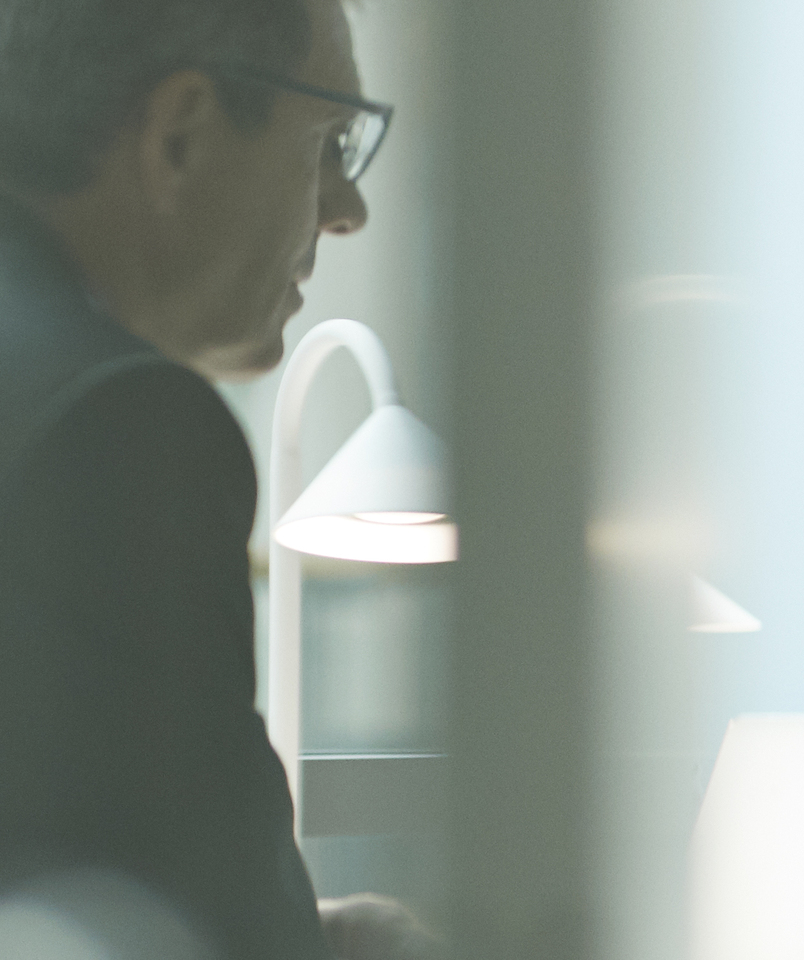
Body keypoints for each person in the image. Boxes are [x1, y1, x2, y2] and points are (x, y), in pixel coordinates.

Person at [0, 0, 401, 957]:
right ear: (181, 134)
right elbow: (230, 927)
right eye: (329, 142)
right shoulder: (111, 418)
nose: (348, 209)